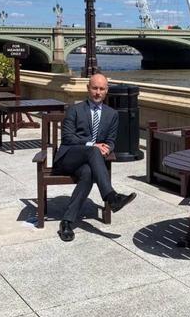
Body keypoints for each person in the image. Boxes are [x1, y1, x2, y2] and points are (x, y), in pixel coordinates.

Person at [54, 73, 137, 242]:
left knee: (88, 174)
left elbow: (111, 141)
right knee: (93, 150)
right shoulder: (75, 109)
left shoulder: (112, 114)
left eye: (101, 89)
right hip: (68, 158)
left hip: (88, 163)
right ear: (88, 89)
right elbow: (68, 137)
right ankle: (111, 197)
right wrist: (93, 145)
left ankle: (67, 222)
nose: (98, 92)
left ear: (106, 91)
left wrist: (108, 148)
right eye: (94, 88)